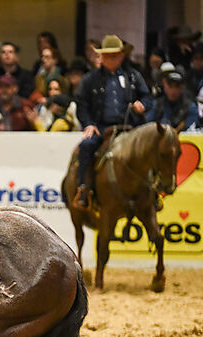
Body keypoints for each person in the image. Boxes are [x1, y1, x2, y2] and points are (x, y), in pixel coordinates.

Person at [73, 34, 152, 210]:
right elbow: (81, 103)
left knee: (150, 148)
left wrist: (142, 105)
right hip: (102, 128)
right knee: (86, 146)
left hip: (131, 127)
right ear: (101, 57)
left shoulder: (133, 76)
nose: (111, 59)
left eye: (114, 55)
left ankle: (152, 191)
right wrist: (88, 124)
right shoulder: (90, 79)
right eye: (107, 55)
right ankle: (83, 188)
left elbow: (147, 96)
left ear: (121, 56)